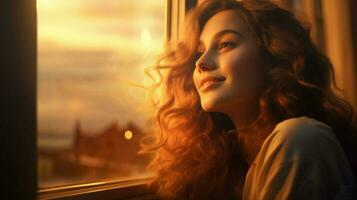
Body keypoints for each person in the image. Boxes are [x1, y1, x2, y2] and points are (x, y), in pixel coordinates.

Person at [143, 0, 357, 199]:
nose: (201, 62)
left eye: (225, 44)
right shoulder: (232, 165)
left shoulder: (301, 138)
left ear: (273, 55)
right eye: (199, 51)